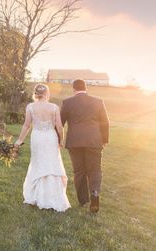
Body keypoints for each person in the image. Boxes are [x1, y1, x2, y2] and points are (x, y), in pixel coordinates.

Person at [14, 84, 71, 212]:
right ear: (47, 93)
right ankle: (53, 197)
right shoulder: (54, 107)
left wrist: (19, 140)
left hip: (37, 138)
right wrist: (61, 140)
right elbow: (60, 127)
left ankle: (37, 196)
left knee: (38, 163)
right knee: (52, 163)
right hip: (51, 138)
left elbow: (26, 125)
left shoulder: (30, 107)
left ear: (35, 93)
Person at [60, 79, 110, 213]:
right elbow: (105, 122)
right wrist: (104, 140)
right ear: (85, 88)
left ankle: (83, 200)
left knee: (79, 171)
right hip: (94, 141)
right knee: (94, 169)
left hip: (74, 142)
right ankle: (94, 192)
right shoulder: (98, 102)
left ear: (74, 89)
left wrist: (59, 139)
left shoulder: (67, 102)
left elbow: (60, 123)